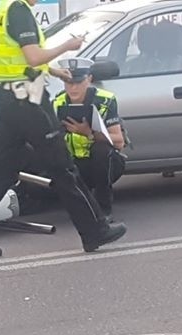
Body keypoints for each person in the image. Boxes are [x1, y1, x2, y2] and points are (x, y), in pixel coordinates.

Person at [0, 0, 127, 257]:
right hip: (29, 97)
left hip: (7, 95)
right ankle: (95, 230)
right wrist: (67, 46)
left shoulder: (4, 9)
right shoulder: (20, 10)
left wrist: (58, 73)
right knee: (63, 166)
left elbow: (21, 61)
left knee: (1, 169)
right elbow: (33, 57)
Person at [52, 57, 126, 220]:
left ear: (89, 79)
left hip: (102, 164)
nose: (73, 87)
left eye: (78, 82)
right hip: (74, 165)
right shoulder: (57, 103)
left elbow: (119, 141)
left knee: (101, 150)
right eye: (68, 82)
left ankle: (103, 208)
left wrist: (89, 133)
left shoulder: (105, 100)